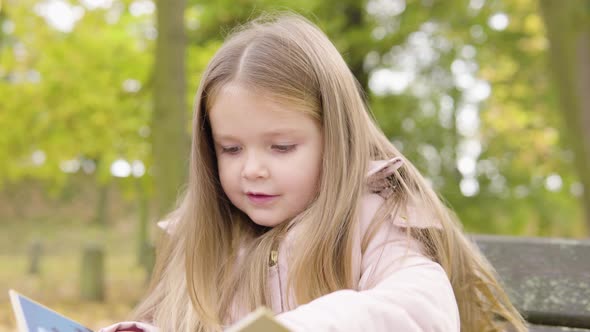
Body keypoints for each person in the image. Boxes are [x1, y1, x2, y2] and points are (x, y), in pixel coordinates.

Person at [100, 12, 527, 332]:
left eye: (281, 147)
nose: (252, 170)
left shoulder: (375, 222)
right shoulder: (210, 237)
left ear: (336, 138)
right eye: (230, 149)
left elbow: (422, 308)